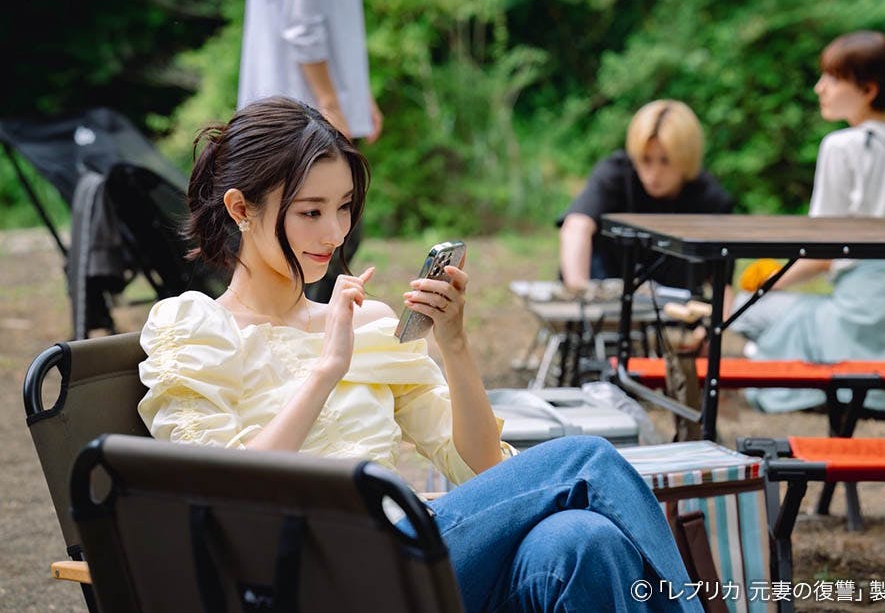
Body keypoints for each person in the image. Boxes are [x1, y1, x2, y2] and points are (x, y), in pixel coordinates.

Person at [137, 97, 698, 611]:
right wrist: (326, 370)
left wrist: (453, 344)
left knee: (582, 541)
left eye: (344, 207)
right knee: (585, 461)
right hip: (307, 579)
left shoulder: (368, 326)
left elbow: (480, 467)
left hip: (406, 555)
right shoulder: (195, 326)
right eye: (310, 212)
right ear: (241, 208)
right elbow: (222, 501)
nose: (335, 233)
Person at [733, 30, 885, 416]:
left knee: (743, 307)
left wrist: (768, 281)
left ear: (868, 89)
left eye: (833, 79)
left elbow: (823, 251)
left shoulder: (841, 146)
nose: (820, 87)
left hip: (865, 315)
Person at [237, 0, 383, 285]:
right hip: (302, 110)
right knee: (308, 238)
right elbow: (301, 22)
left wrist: (360, 95)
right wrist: (329, 101)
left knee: (336, 231)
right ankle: (306, 317)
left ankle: (316, 315)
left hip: (319, 101)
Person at [558, 99, 734, 295]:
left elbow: (722, 283)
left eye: (665, 161)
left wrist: (715, 315)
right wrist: (579, 291)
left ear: (686, 158)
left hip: (673, 303)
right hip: (604, 296)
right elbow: (576, 227)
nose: (654, 174)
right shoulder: (615, 174)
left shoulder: (710, 199)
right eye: (646, 159)